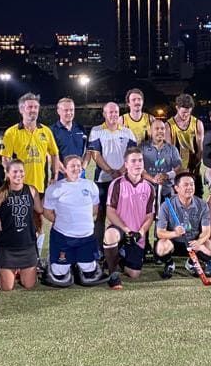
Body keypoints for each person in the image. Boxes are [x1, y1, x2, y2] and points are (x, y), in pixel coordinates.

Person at [0, 92, 59, 260]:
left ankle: (36, 258)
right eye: (29, 107)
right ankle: (16, 257)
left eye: (35, 107)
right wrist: (12, 177)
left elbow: (54, 154)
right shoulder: (12, 132)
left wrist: (54, 174)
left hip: (39, 186)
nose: (33, 110)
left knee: (38, 223)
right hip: (19, 188)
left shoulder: (45, 131)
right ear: (21, 110)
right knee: (18, 223)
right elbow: (5, 157)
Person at [0, 160, 43, 291]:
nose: (18, 174)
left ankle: (20, 272)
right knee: (7, 287)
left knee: (29, 285)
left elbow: (40, 210)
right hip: (7, 246)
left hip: (28, 244)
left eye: (21, 171)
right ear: (7, 173)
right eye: (14, 171)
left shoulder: (31, 190)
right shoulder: (0, 193)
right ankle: (1, 274)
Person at [42, 154, 105, 287]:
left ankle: (79, 262)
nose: (76, 168)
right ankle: (57, 261)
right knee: (60, 273)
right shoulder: (55, 188)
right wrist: (64, 222)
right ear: (65, 168)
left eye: (78, 165)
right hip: (63, 237)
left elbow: (94, 209)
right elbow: (47, 212)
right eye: (72, 166)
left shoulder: (90, 185)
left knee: (89, 269)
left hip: (86, 237)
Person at [101, 148, 156, 288]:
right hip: (120, 229)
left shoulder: (149, 187)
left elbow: (150, 216)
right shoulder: (117, 184)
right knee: (110, 234)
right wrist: (126, 230)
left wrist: (140, 233)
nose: (137, 164)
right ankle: (113, 275)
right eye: (133, 161)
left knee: (134, 273)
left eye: (140, 160)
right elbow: (110, 211)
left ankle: (117, 257)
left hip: (137, 234)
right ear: (126, 164)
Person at [87, 102, 137, 241]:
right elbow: (95, 155)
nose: (114, 114)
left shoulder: (127, 132)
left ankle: (119, 246)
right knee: (100, 214)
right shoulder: (96, 131)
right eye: (110, 112)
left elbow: (131, 154)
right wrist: (110, 171)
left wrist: (121, 171)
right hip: (102, 179)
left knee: (121, 214)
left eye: (116, 112)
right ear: (104, 114)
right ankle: (98, 249)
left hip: (123, 180)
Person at [155, 172, 211, 278]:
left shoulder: (202, 204)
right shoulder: (166, 205)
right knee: (161, 247)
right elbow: (160, 233)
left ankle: (191, 263)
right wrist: (175, 233)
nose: (190, 188)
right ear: (176, 188)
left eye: (192, 184)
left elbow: (207, 231)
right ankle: (170, 263)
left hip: (193, 242)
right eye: (186, 185)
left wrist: (199, 242)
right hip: (175, 243)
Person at [170, 93, 205, 197]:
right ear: (177, 108)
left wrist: (196, 166)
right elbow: (169, 151)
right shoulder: (169, 126)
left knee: (197, 196)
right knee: (178, 200)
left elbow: (200, 149)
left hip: (193, 167)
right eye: (183, 112)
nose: (186, 115)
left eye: (188, 112)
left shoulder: (197, 123)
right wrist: (176, 170)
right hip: (177, 169)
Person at [142, 117, 181, 202]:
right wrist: (153, 179)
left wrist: (166, 175)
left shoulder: (172, 149)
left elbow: (178, 168)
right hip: (146, 191)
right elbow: (139, 169)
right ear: (150, 132)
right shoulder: (143, 148)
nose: (160, 131)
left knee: (167, 214)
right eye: (157, 129)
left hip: (167, 191)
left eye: (162, 129)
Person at [50, 97, 88, 174]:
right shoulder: (52, 131)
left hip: (79, 174)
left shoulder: (81, 129)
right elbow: (51, 155)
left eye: (71, 110)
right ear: (58, 111)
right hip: (61, 175)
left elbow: (88, 151)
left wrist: (82, 169)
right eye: (66, 110)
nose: (69, 113)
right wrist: (65, 171)